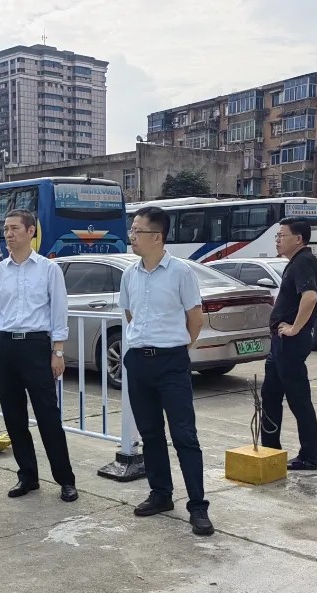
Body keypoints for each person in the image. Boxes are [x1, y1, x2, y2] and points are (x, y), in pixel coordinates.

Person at [121, 206, 213, 536]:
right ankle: (161, 494)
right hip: (138, 361)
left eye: (138, 231)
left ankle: (198, 506)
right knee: (150, 434)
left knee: (184, 435)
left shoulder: (181, 272)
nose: (132, 236)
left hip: (172, 362)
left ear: (157, 237)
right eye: (132, 230)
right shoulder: (130, 274)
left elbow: (195, 319)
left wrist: (176, 348)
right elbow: (131, 314)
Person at [0, 209, 78, 502]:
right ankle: (27, 476)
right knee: (14, 417)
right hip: (6, 347)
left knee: (48, 416)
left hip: (36, 346)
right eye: (6, 229)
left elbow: (58, 312)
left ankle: (65, 479)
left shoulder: (48, 269)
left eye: (14, 228)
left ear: (30, 231)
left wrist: (57, 351)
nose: (8, 234)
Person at [260, 217, 317, 470]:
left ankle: (309, 456)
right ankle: (270, 450)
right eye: (277, 236)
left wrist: (295, 328)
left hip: (290, 343)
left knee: (298, 399)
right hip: (280, 343)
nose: (277, 240)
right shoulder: (295, 262)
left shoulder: (304, 261)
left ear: (298, 239)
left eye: (281, 235)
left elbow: (310, 297)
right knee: (269, 395)